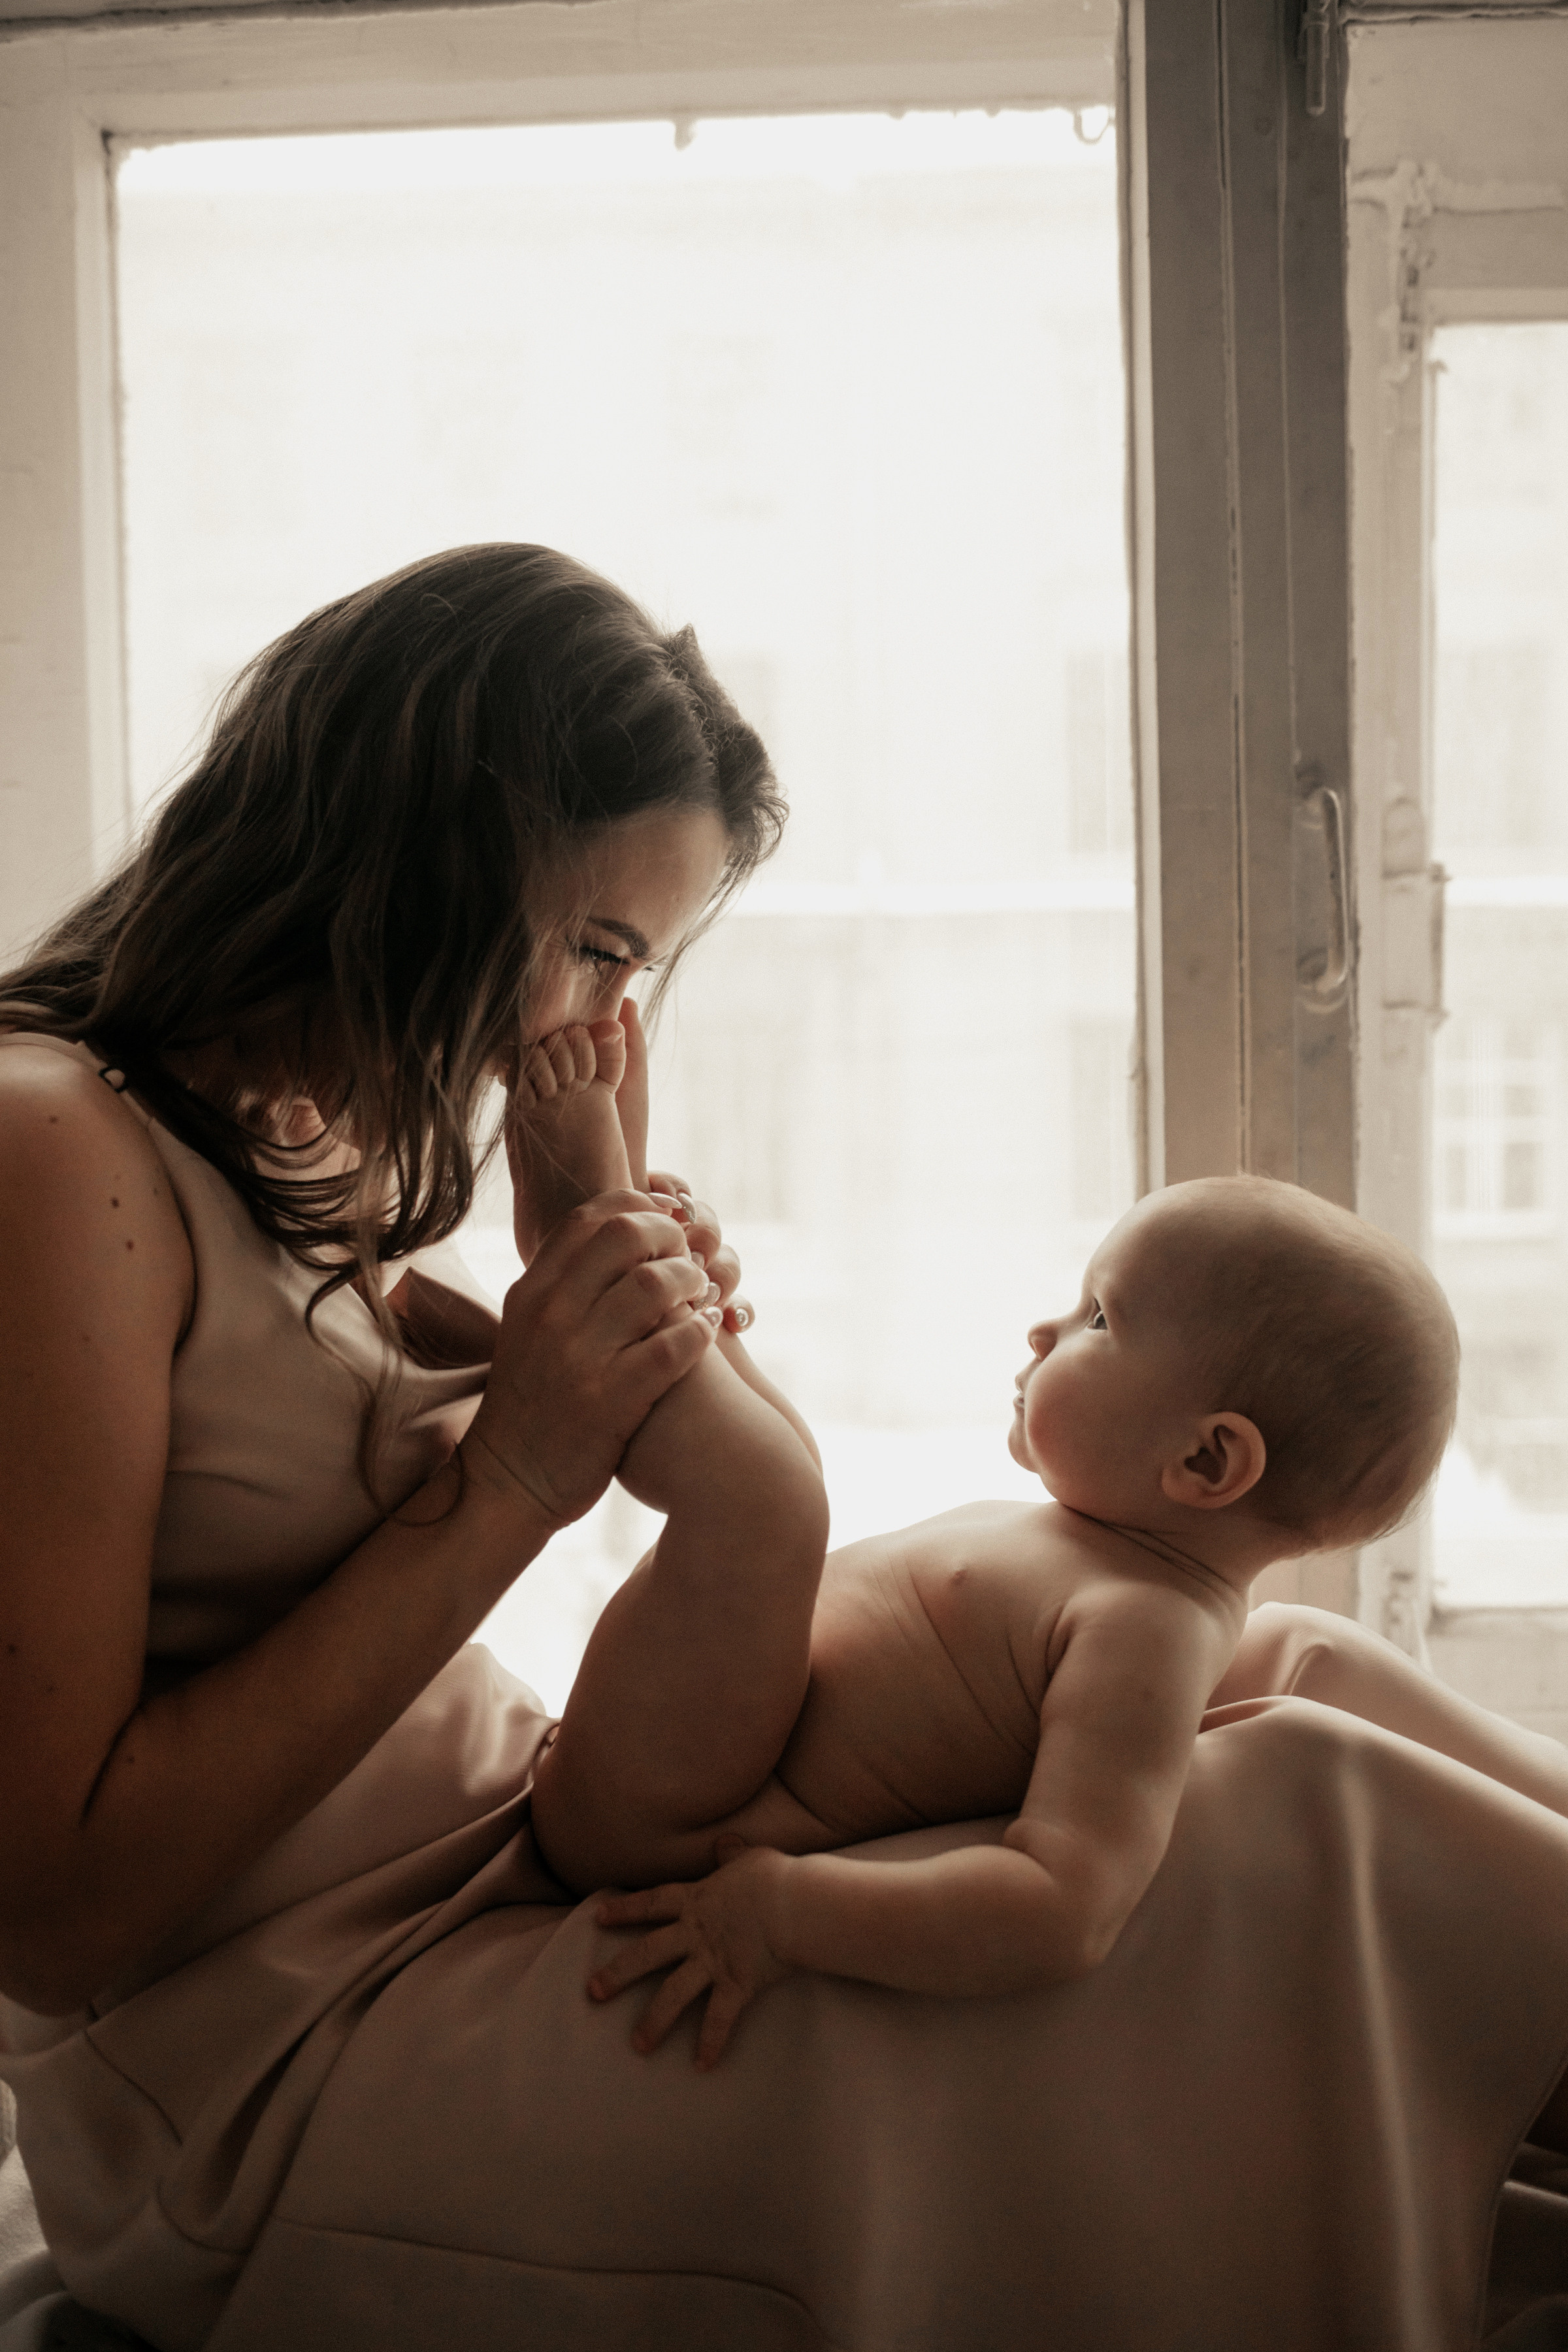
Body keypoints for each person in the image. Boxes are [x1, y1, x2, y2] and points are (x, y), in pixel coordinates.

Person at [2, 544, 1568, 2352]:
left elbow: (378, 1472)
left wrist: (612, 1292)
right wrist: (528, 1461)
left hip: (496, 1854)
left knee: (1286, 1668)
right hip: (288, 2050)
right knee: (1302, 1818)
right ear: (424, 854)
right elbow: (49, 1911)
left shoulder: (299, 1134)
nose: (587, 1030)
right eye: (597, 949)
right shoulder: (55, 1153)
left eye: (635, 977)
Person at [512, 1031, 1481, 2061]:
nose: (1043, 1330)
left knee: (773, 1502)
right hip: (679, 1758)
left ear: (1206, 1463)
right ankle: (661, 1290)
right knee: (788, 1475)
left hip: (678, 1821)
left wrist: (786, 1912)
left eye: (1100, 1318)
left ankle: (588, 1238)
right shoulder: (1103, 1553)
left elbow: (1064, 1905)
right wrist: (727, 1338)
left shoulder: (1145, 1627)